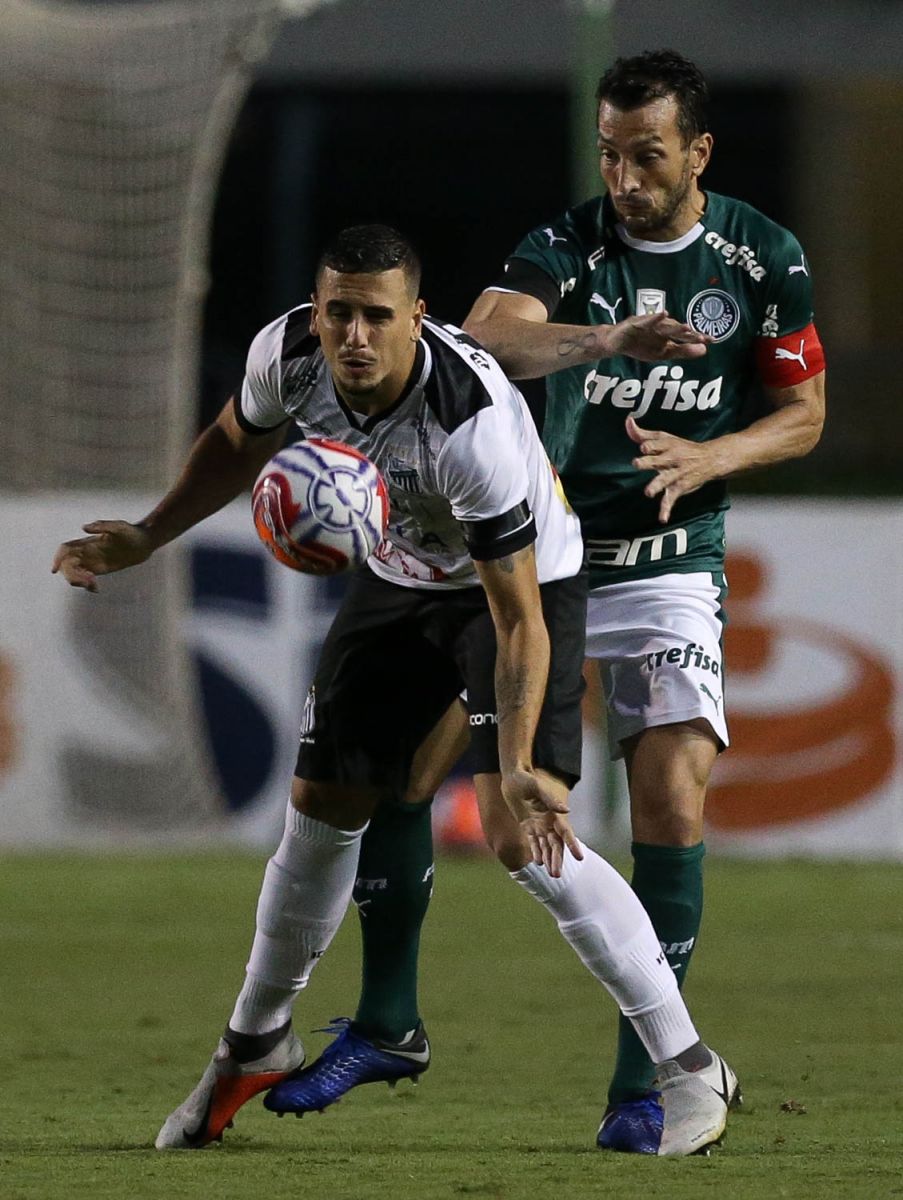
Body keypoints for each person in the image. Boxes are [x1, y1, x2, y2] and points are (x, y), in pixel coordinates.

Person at [54, 224, 736, 1156]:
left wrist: (522, 756)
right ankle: (254, 1040)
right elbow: (230, 442)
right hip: (401, 569)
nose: (355, 336)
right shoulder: (285, 353)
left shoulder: (468, 421)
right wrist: (145, 534)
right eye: (339, 312)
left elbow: (517, 621)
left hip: (519, 586)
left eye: (378, 316)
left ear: (417, 318)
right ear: (318, 309)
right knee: (320, 802)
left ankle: (687, 1063)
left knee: (522, 834)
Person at [285, 51, 824, 1155]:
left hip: (673, 560)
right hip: (546, 561)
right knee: (406, 769)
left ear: (698, 154)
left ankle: (645, 1089)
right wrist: (607, 339)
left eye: (647, 156)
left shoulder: (763, 259)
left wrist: (712, 455)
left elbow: (805, 413)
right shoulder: (568, 248)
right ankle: (389, 1019)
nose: (624, 177)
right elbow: (487, 333)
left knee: (669, 797)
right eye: (610, 153)